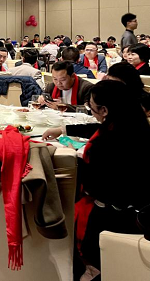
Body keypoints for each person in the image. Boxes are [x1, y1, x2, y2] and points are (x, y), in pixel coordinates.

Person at [73, 81, 150, 277]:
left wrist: (77, 163)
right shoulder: (136, 126)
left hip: (115, 216)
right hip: (138, 209)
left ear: (104, 110)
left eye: (91, 107)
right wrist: (65, 129)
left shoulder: (107, 144)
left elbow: (95, 186)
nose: (91, 112)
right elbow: (95, 128)